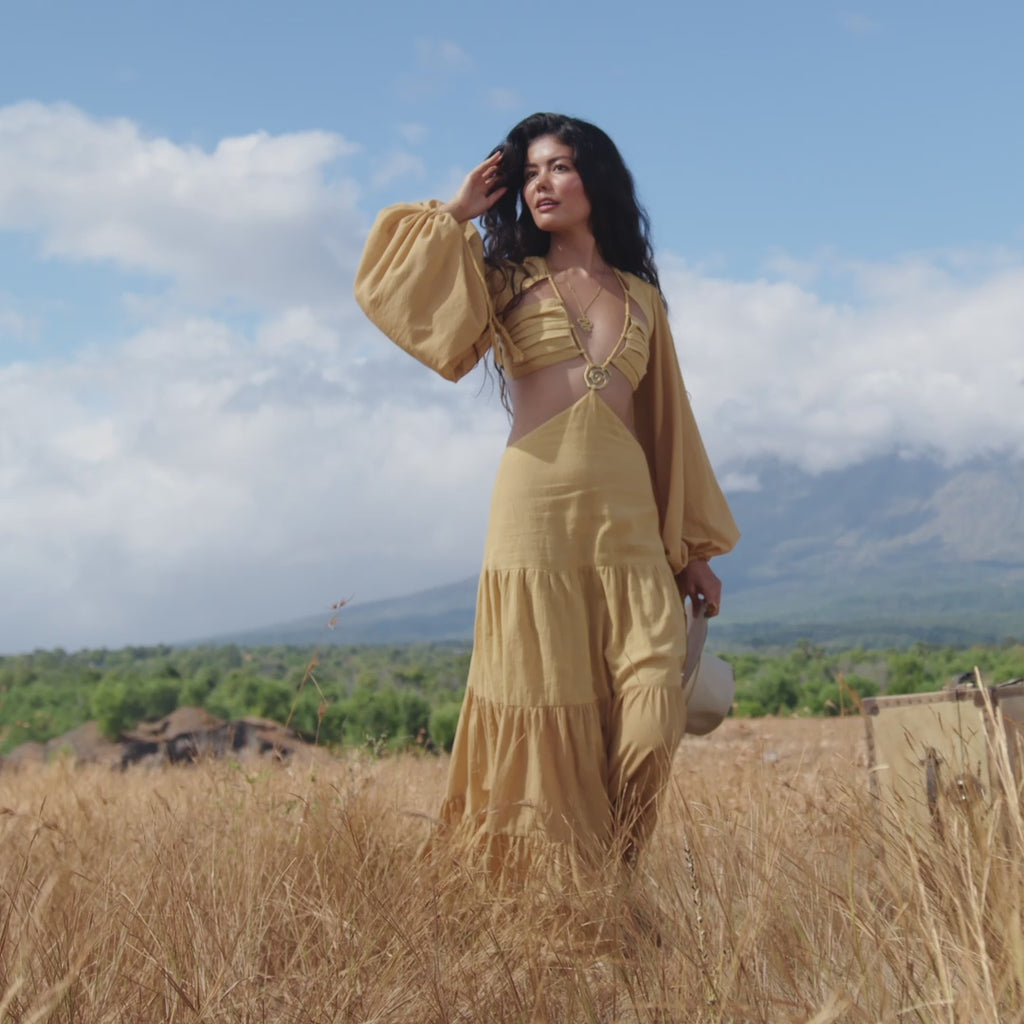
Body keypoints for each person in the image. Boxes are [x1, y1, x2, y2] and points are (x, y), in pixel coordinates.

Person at [355, 112, 739, 881]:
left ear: (596, 178)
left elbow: (670, 427)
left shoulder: (642, 298)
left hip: (628, 526)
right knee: (541, 704)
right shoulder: (504, 280)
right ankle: (561, 899)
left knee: (651, 712)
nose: (541, 184)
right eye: (529, 173)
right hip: (532, 520)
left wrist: (692, 551)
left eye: (558, 166)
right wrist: (456, 212)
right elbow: (392, 294)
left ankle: (614, 867)